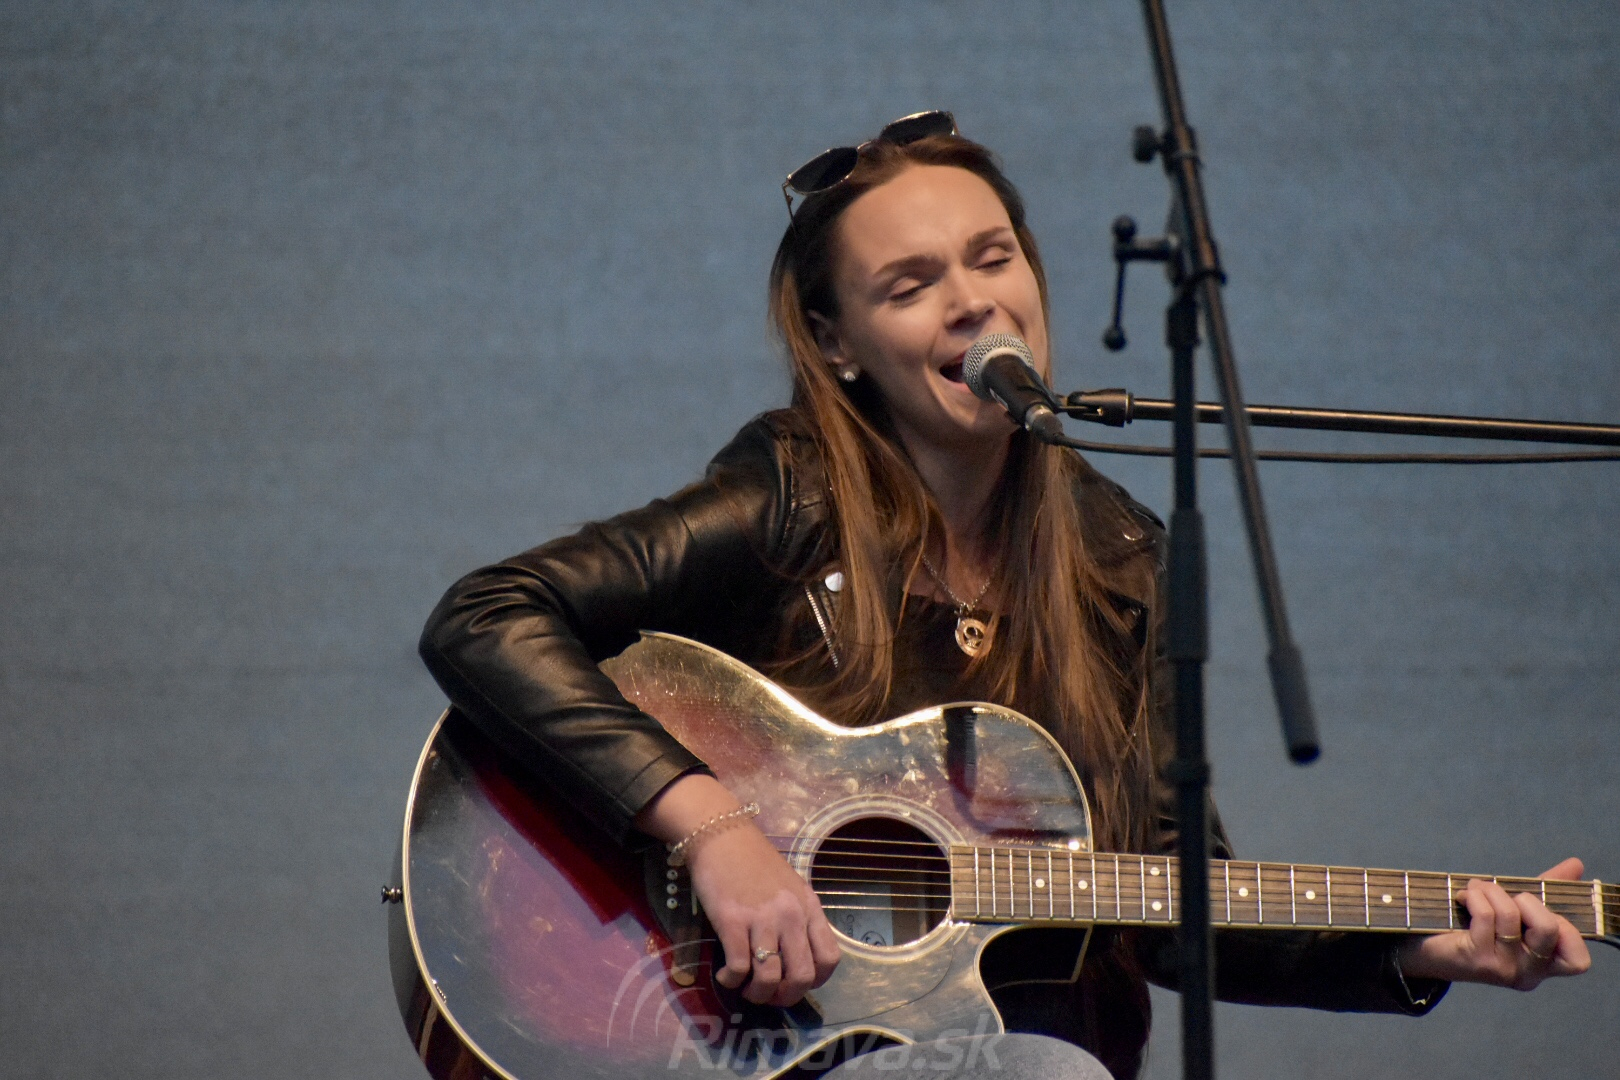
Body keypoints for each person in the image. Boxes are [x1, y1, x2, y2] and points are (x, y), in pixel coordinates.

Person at [419, 113, 1592, 1079]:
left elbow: (1171, 901)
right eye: (911, 284)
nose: (974, 302)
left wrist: (1417, 952)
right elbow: (486, 616)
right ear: (837, 342)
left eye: (994, 258)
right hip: (760, 1039)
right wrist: (715, 831)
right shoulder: (792, 494)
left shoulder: (1117, 558)